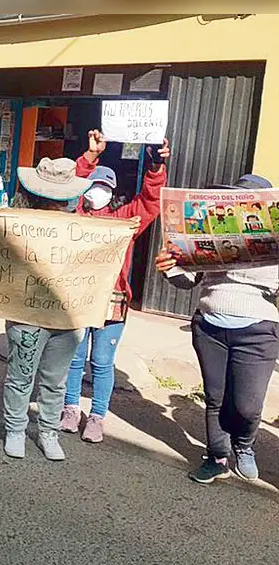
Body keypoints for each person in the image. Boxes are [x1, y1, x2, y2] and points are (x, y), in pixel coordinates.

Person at [155, 174, 279, 485]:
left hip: (259, 330)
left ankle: (244, 445)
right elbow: (189, 281)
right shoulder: (209, 236)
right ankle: (217, 456)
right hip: (209, 326)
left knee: (248, 406)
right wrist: (171, 269)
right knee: (215, 397)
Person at [61, 131, 170, 443]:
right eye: (94, 186)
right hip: (80, 300)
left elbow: (150, 200)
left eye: (105, 187)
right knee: (75, 358)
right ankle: (70, 409)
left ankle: (97, 416)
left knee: (102, 363)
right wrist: (90, 156)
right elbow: (71, 188)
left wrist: (155, 167)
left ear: (113, 192)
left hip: (113, 302)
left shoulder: (125, 221)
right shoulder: (76, 216)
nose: (99, 192)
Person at [0, 157, 100, 461]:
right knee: (21, 374)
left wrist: (120, 232)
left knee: (56, 379)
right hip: (26, 313)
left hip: (66, 315)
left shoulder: (83, 227)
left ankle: (48, 432)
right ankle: (16, 429)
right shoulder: (17, 222)